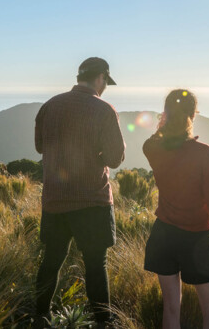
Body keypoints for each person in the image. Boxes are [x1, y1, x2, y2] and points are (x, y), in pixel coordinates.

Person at [34, 57, 126, 326]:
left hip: (55, 199)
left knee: (51, 259)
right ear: (100, 78)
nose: (105, 87)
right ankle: (103, 321)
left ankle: (40, 316)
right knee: (96, 264)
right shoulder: (104, 109)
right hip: (92, 201)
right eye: (106, 82)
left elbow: (40, 147)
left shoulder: (49, 106)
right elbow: (115, 158)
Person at [143, 89, 209, 329]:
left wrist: (164, 123)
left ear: (166, 114)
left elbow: (154, 139)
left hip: (163, 236)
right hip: (196, 240)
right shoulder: (203, 153)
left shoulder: (152, 148)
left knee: (171, 308)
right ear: (192, 115)